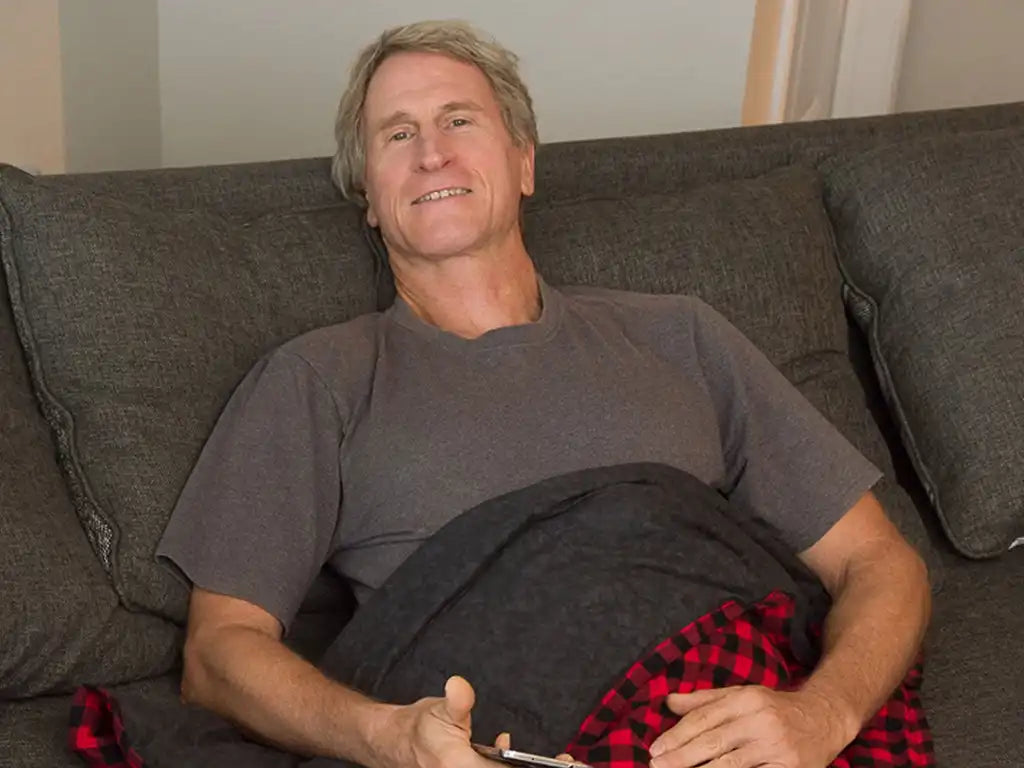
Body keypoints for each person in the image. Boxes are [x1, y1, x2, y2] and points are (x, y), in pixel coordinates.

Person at [156, 19, 931, 768]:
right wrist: (388, 739)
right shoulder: (315, 380)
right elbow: (217, 653)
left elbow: (879, 565)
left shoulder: (680, 336)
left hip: (724, 729)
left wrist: (820, 714)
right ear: (368, 194)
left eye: (459, 120)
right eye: (397, 135)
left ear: (524, 162)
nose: (430, 155)